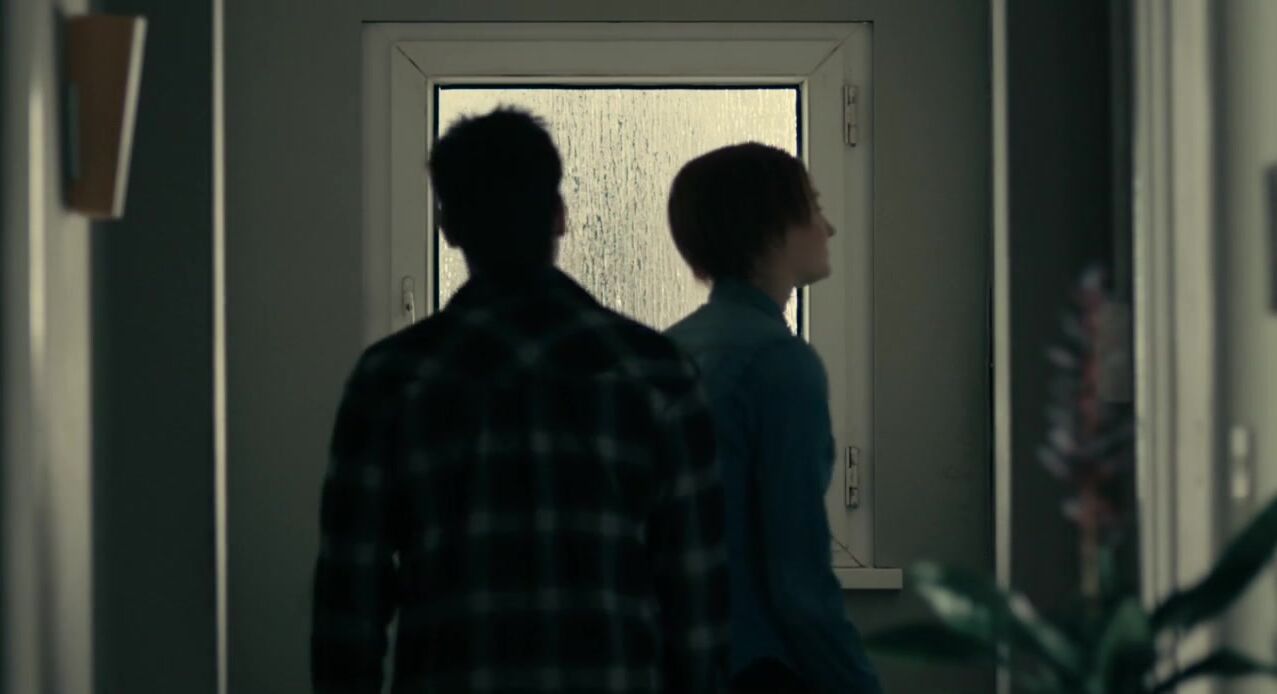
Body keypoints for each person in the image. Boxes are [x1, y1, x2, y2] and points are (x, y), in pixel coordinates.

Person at [311, 108, 728, 693]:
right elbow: (696, 599)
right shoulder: (656, 374)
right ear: (560, 215)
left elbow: (349, 602)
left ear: (448, 226)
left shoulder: (393, 379)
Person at [665, 143, 883, 694]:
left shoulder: (669, 349)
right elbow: (798, 582)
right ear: (771, 228)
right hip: (755, 667)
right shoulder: (778, 363)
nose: (829, 228)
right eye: (814, 207)